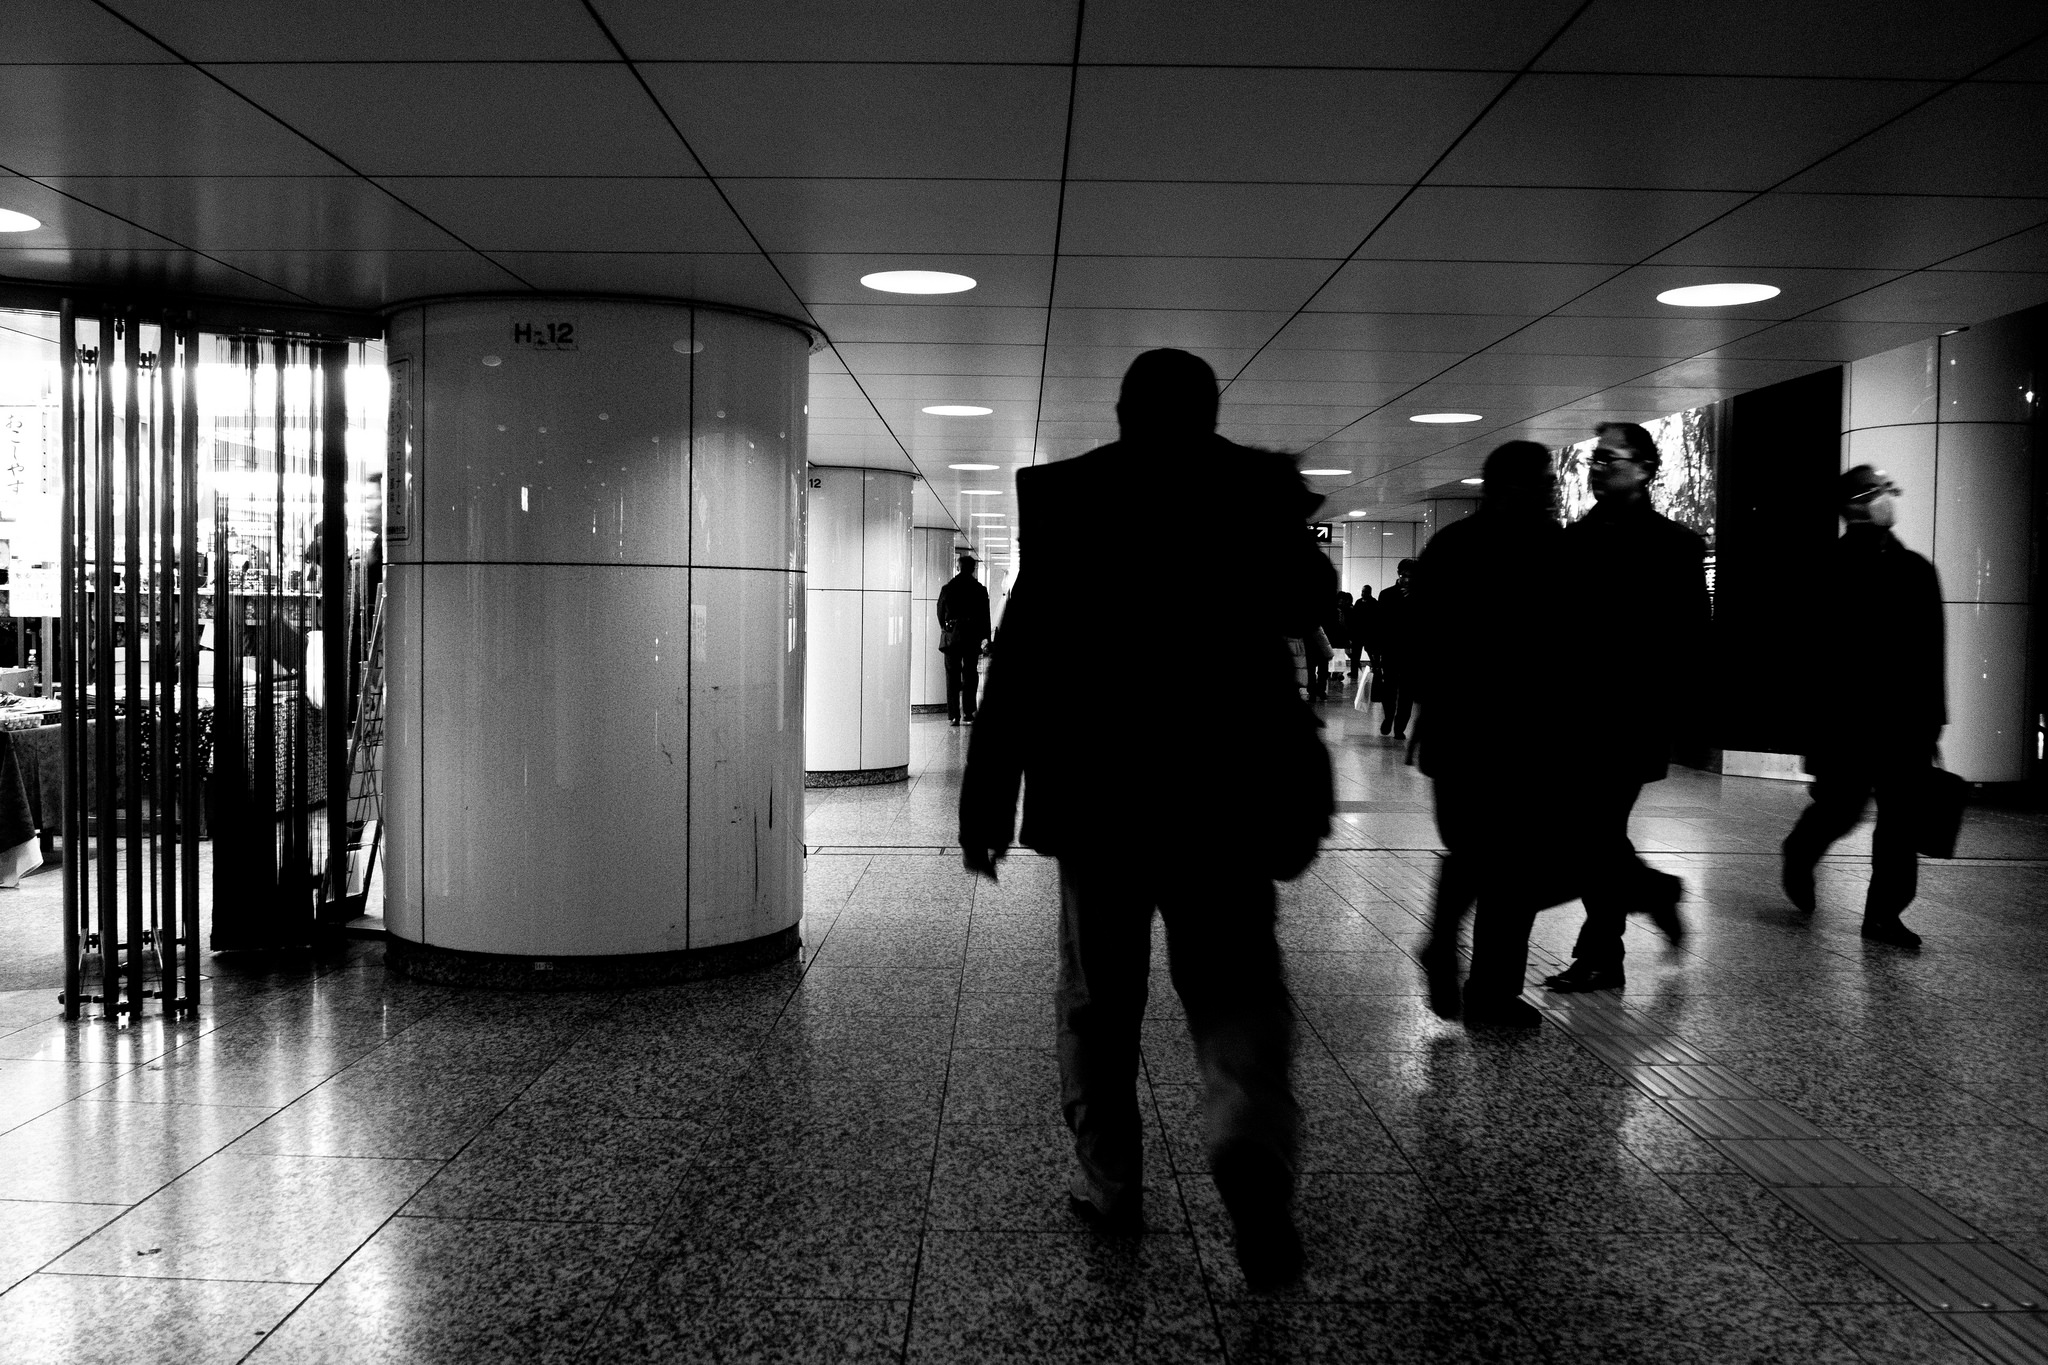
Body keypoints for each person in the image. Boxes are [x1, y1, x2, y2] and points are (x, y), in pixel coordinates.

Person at [959, 348, 1330, 1288]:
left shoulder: (1070, 498)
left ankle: (1111, 1185)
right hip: (1226, 793)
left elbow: (1024, 656)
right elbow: (1309, 606)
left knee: (1098, 999)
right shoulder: (1256, 492)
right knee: (1237, 984)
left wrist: (987, 795)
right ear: (1210, 410)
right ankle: (1247, 1141)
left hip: (1103, 797)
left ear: (1122, 412)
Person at [1410, 442, 1577, 1027]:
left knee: (1476, 853)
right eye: (1544, 481)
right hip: (1526, 739)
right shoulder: (1554, 550)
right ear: (1512, 487)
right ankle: (1490, 993)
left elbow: (1421, 643)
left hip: (1457, 737)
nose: (1553, 491)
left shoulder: (1448, 547)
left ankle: (1444, 942)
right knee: (1513, 870)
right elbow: (1572, 651)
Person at [1540, 422, 1706, 994]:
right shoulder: (1570, 543)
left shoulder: (1676, 546)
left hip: (1630, 720)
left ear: (1644, 467)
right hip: (1571, 719)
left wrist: (1671, 711)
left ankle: (1603, 958)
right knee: (1594, 837)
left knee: (1596, 833)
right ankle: (1653, 895)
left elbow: (1691, 640)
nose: (1598, 468)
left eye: (1611, 459)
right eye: (1595, 460)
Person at [1780, 465, 1944, 948]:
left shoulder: (1914, 568)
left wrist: (1932, 721)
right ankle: (1800, 850)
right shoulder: (1828, 567)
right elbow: (1809, 652)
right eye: (1879, 492)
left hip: (1904, 721)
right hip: (1845, 720)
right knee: (1841, 807)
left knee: (1900, 820)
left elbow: (1930, 651)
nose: (1889, 499)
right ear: (1855, 504)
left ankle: (1884, 915)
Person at [936, 552, 992, 726]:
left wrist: (946, 628)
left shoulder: (947, 588)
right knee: (970, 674)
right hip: (971, 636)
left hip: (952, 636)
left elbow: (940, 612)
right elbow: (985, 616)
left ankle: (954, 715)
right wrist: (986, 638)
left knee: (952, 675)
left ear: (958, 567)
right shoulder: (980, 590)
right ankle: (968, 712)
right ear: (973, 569)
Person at [1375, 560, 1418, 738]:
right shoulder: (1386, 595)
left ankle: (1400, 726)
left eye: (1411, 576)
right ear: (1398, 574)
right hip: (1390, 649)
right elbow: (1379, 624)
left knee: (1407, 691)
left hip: (1412, 652)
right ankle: (1388, 716)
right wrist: (1375, 650)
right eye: (1404, 576)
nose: (1407, 580)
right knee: (1389, 688)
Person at [1345, 585, 1377, 684]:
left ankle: (1374, 668)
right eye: (1363, 592)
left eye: (1365, 592)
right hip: (1362, 633)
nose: (1363, 594)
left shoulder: (1363, 603)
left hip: (1365, 633)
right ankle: (1371, 669)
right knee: (1358, 654)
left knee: (1367, 653)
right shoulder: (1372, 603)